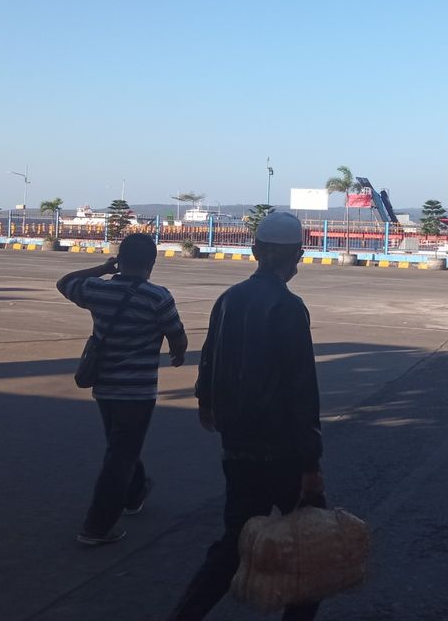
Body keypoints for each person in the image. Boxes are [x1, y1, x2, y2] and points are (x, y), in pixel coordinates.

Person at [168, 211, 324, 621]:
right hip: (283, 453)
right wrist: (310, 462)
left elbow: (210, 356)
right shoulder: (289, 308)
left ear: (255, 251)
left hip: (237, 446)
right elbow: (301, 389)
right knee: (313, 546)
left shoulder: (229, 298)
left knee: (235, 542)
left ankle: (183, 613)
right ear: (298, 256)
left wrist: (206, 402)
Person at [56, 233, 188, 546]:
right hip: (138, 390)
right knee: (120, 455)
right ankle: (97, 526)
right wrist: (177, 352)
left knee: (121, 444)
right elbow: (177, 334)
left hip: (104, 387)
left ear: (120, 260)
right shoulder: (158, 297)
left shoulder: (98, 290)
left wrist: (101, 269)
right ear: (151, 264)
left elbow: (65, 282)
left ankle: (134, 494)